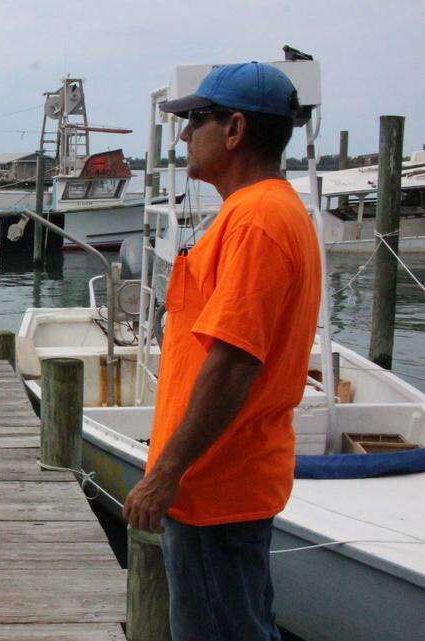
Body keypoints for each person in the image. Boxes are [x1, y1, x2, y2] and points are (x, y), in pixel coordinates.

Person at [121, 62, 321, 641]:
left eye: (197, 120)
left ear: (235, 129)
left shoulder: (257, 221)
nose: (184, 134)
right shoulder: (261, 213)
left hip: (214, 489)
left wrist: (165, 474)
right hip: (221, 486)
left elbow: (234, 363)